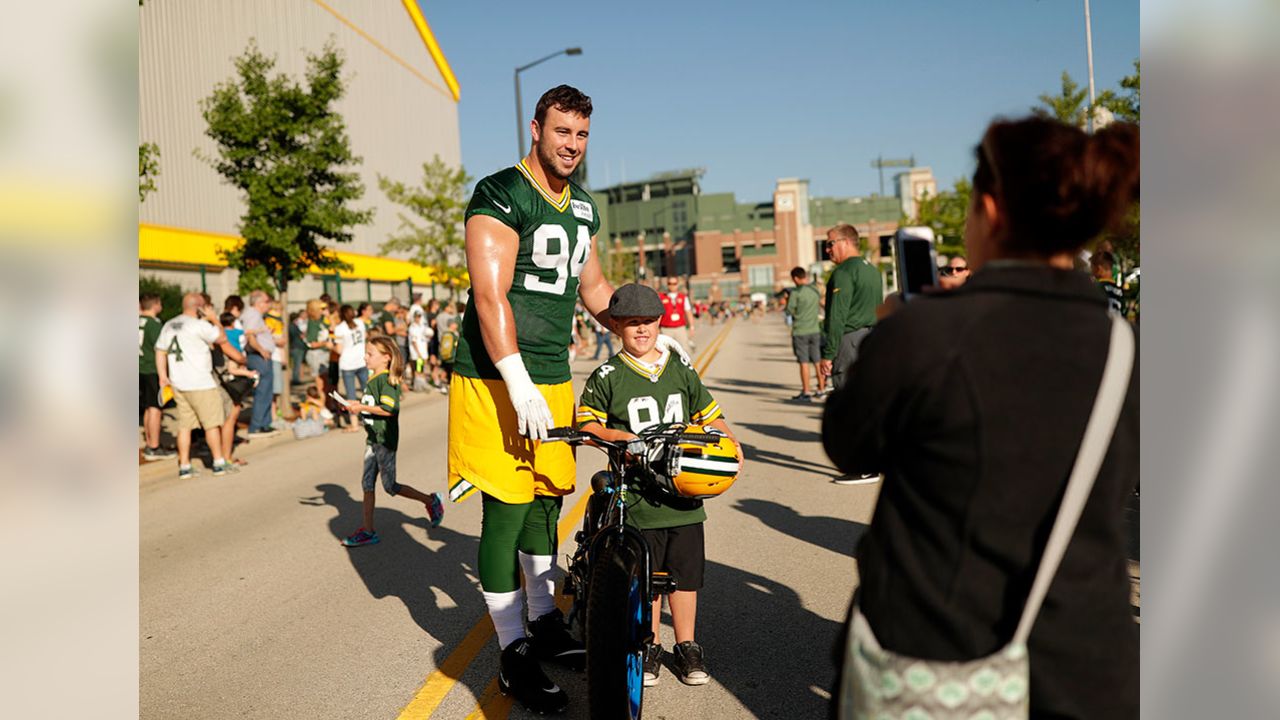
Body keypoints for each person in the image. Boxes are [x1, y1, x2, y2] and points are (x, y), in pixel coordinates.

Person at [823, 116, 1140, 719]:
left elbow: (849, 444)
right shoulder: (1123, 345)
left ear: (990, 212)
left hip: (933, 652)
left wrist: (892, 331)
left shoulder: (926, 333)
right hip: (1085, 664)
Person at [448, 84, 687, 715]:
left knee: (547, 501)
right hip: (493, 374)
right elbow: (489, 295)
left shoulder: (582, 207)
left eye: (581, 135)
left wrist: (648, 332)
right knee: (505, 509)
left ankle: (543, 619)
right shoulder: (500, 192)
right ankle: (512, 650)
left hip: (552, 371)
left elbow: (596, 287)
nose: (573, 146)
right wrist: (515, 376)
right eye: (562, 132)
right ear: (535, 129)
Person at [575, 284, 742, 688]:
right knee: (646, 578)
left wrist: (731, 442)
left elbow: (709, 415)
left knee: (685, 577)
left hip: (682, 494)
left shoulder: (680, 370)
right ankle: (647, 643)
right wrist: (620, 441)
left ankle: (687, 646)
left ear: (660, 322)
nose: (642, 330)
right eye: (632, 324)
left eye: (648, 322)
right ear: (616, 326)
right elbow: (587, 425)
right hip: (637, 493)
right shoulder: (608, 375)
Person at [339, 336, 444, 547]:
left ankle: (431, 501)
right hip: (372, 439)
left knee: (390, 486)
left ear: (386, 358)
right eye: (366, 353)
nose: (365, 357)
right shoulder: (372, 378)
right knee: (367, 484)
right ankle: (368, 531)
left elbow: (389, 409)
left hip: (384, 441)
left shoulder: (387, 380)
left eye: (370, 354)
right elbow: (372, 404)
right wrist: (356, 404)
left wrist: (361, 408)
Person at [817, 224, 882, 485]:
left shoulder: (843, 272)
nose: (827, 248)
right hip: (871, 337)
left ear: (846, 242)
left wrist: (828, 353)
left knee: (850, 404)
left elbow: (837, 316)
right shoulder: (871, 270)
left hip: (849, 338)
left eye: (830, 243)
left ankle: (864, 466)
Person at [154, 293, 246, 479]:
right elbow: (221, 338)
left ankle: (185, 466)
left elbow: (160, 351)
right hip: (201, 382)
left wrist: (163, 376)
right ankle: (219, 462)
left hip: (179, 383)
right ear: (200, 307)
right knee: (211, 424)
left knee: (185, 426)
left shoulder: (169, 325)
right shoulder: (198, 325)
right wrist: (213, 319)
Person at [139, 294, 175, 461]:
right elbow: (162, 348)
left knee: (148, 406)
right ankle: (154, 446)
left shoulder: (137, 321)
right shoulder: (154, 325)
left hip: (140, 367)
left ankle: (149, 441)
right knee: (155, 408)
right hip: (152, 369)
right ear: (155, 305)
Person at [240, 290, 279, 437]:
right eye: (267, 301)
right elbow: (250, 334)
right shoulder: (253, 314)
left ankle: (264, 423)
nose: (269, 304)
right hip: (258, 357)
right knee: (263, 391)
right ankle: (257, 425)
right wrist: (261, 350)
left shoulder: (253, 315)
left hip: (260, 355)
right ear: (259, 303)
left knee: (266, 390)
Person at [784, 267, 826, 400]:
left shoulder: (796, 293)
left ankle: (806, 392)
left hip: (800, 331)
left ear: (796, 278)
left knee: (804, 362)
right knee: (818, 361)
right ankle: (821, 389)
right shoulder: (814, 290)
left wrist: (788, 301)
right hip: (815, 330)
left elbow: (789, 311)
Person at [333, 304, 369, 432]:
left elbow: (339, 350)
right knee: (367, 391)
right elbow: (364, 338)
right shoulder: (360, 323)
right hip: (361, 360)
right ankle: (370, 419)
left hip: (348, 363)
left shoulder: (339, 328)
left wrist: (329, 345)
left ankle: (354, 424)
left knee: (351, 394)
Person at [659, 277, 696, 354]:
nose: (672, 286)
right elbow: (658, 314)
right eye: (670, 283)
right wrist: (656, 328)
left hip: (680, 328)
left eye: (674, 283)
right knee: (666, 352)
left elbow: (688, 312)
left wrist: (692, 327)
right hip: (666, 329)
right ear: (667, 284)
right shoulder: (661, 297)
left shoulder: (683, 297)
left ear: (677, 284)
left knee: (684, 350)